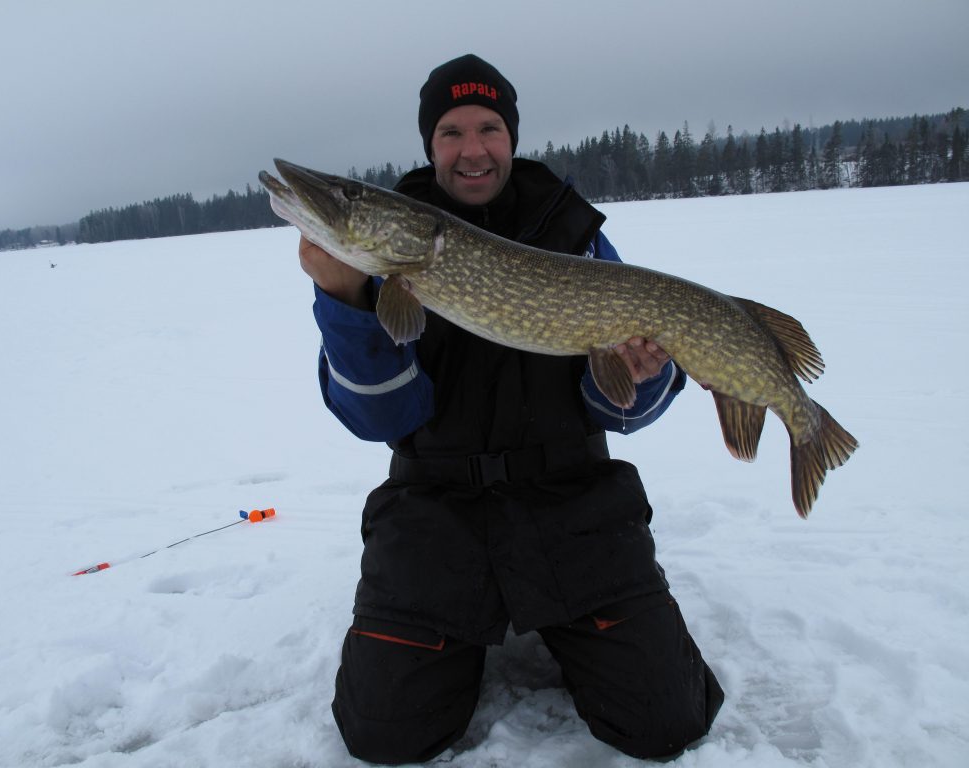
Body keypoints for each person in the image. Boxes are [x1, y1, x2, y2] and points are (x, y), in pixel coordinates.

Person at [297, 54, 723, 764]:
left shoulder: (575, 235)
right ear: (430, 146)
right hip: (435, 510)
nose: (472, 149)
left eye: (489, 128)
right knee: (385, 733)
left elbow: (618, 414)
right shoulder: (382, 258)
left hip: (572, 502)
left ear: (511, 137)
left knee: (666, 719)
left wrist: (644, 374)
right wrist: (342, 302)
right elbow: (380, 419)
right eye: (452, 132)